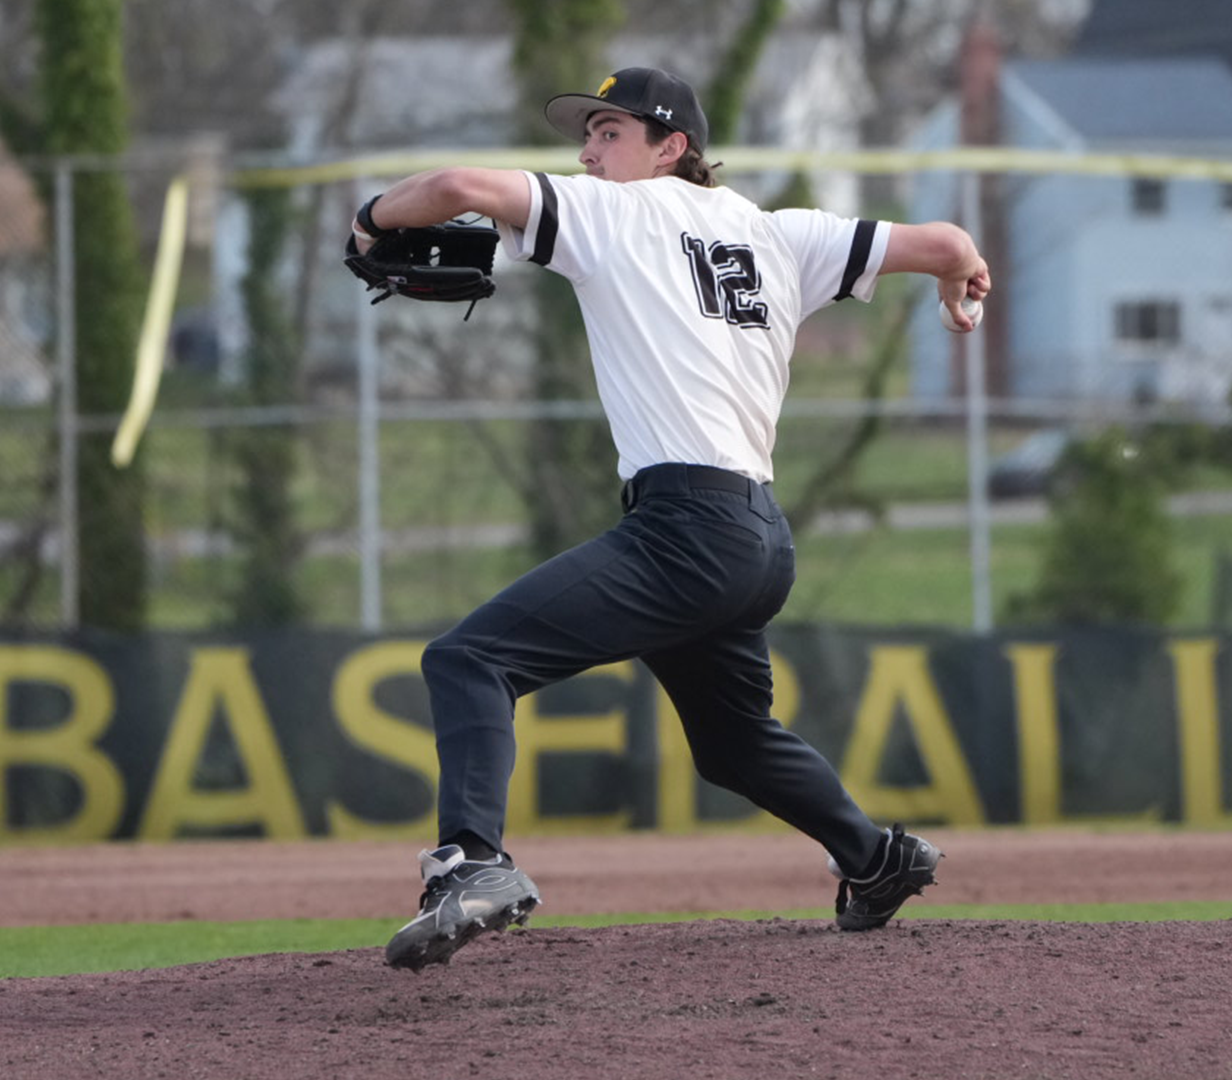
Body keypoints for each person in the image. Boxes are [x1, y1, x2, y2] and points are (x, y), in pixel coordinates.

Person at [349, 67, 991, 971]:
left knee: (469, 660)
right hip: (759, 538)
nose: (586, 151)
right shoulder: (783, 233)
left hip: (687, 526)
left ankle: (474, 866)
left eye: (608, 133)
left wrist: (372, 219)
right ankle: (877, 860)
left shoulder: (615, 213)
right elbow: (947, 239)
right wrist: (958, 281)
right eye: (588, 135)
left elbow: (453, 188)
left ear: (671, 148)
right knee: (731, 742)